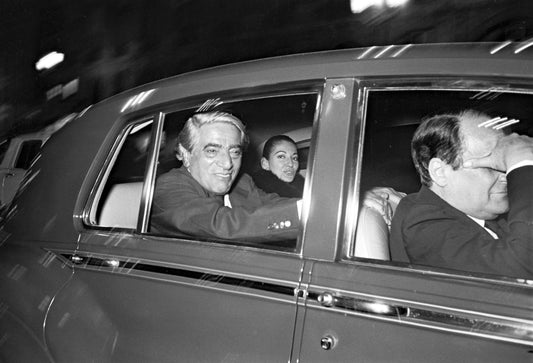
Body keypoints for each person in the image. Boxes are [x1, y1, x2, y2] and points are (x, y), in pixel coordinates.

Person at [390, 110, 533, 278]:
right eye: (492, 165)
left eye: (506, 163)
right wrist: (523, 164)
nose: (506, 176)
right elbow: (524, 266)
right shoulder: (424, 226)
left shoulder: (482, 214)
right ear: (440, 172)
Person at [150, 111, 300, 243]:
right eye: (212, 151)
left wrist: (315, 207)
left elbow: (272, 204)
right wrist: (300, 213)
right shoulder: (167, 187)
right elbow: (221, 225)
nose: (228, 163)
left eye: (235, 152)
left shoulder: (242, 182)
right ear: (186, 155)